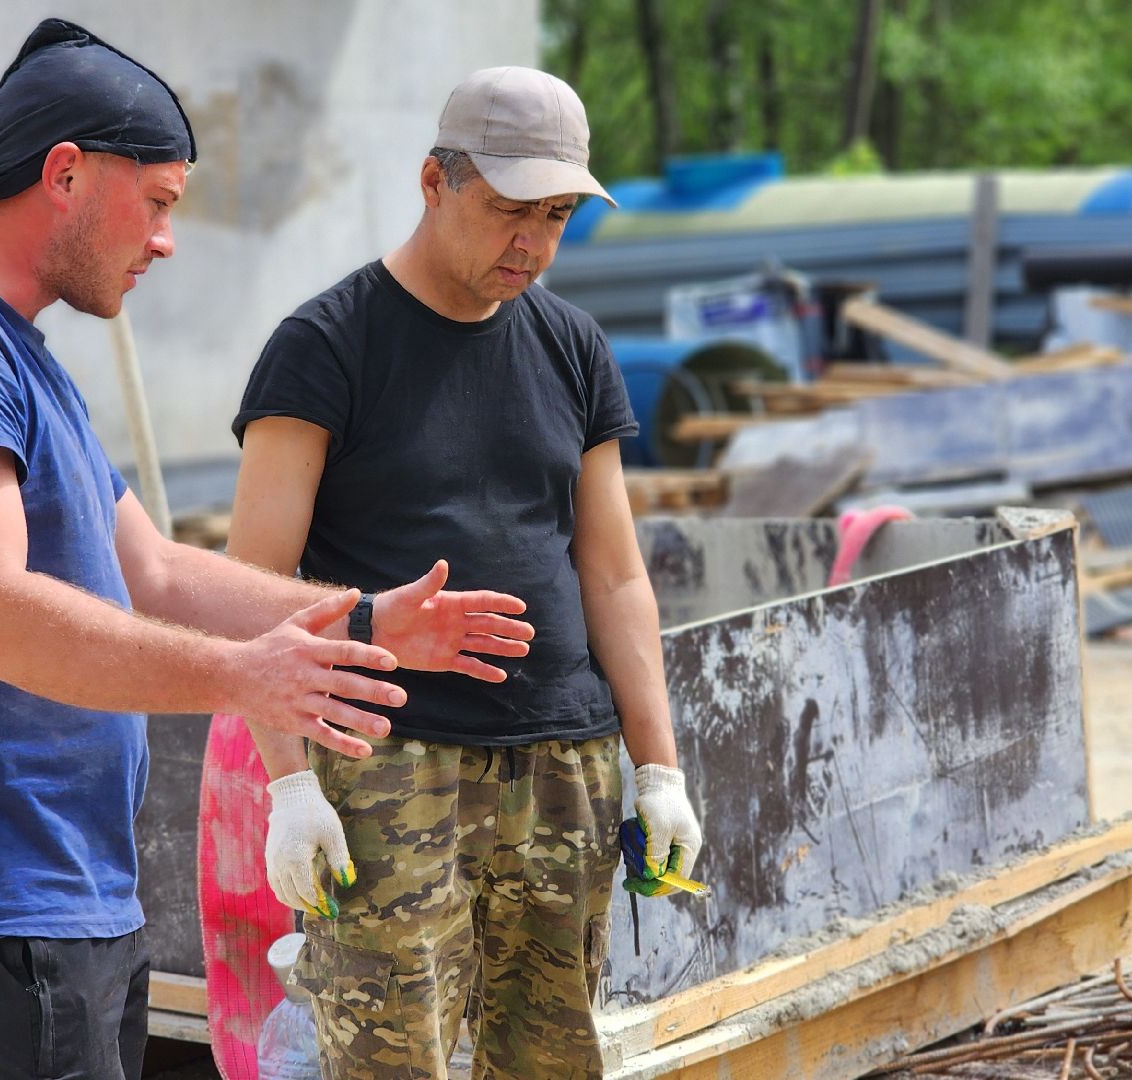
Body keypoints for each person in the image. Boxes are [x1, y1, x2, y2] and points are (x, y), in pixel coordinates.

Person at [0, 22, 532, 1079]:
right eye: (158, 203)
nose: (166, 240)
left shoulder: (8, 350)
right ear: (65, 175)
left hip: (54, 885)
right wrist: (245, 679)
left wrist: (363, 621)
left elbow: (156, 573)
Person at [226, 66, 706, 1078]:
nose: (532, 242)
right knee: (389, 1062)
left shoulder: (571, 346)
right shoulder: (324, 348)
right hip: (392, 771)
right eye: (508, 211)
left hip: (560, 768)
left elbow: (614, 574)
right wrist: (289, 789)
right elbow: (252, 587)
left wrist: (657, 768)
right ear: (433, 182)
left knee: (548, 1060)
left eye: (558, 216)